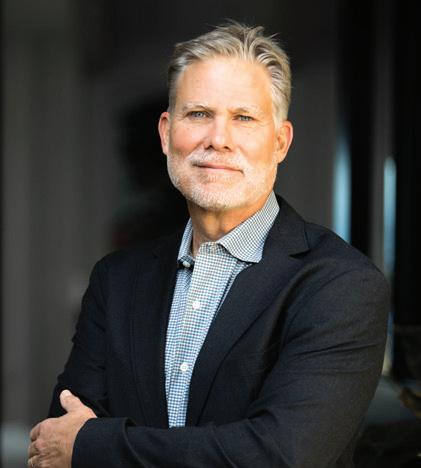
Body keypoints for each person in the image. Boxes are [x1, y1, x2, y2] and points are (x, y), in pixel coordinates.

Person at [27, 22, 390, 468]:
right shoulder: (116, 280)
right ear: (166, 133)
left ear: (280, 142)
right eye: (199, 114)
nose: (218, 139)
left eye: (244, 118)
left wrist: (93, 446)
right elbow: (57, 437)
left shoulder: (340, 286)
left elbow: (279, 456)